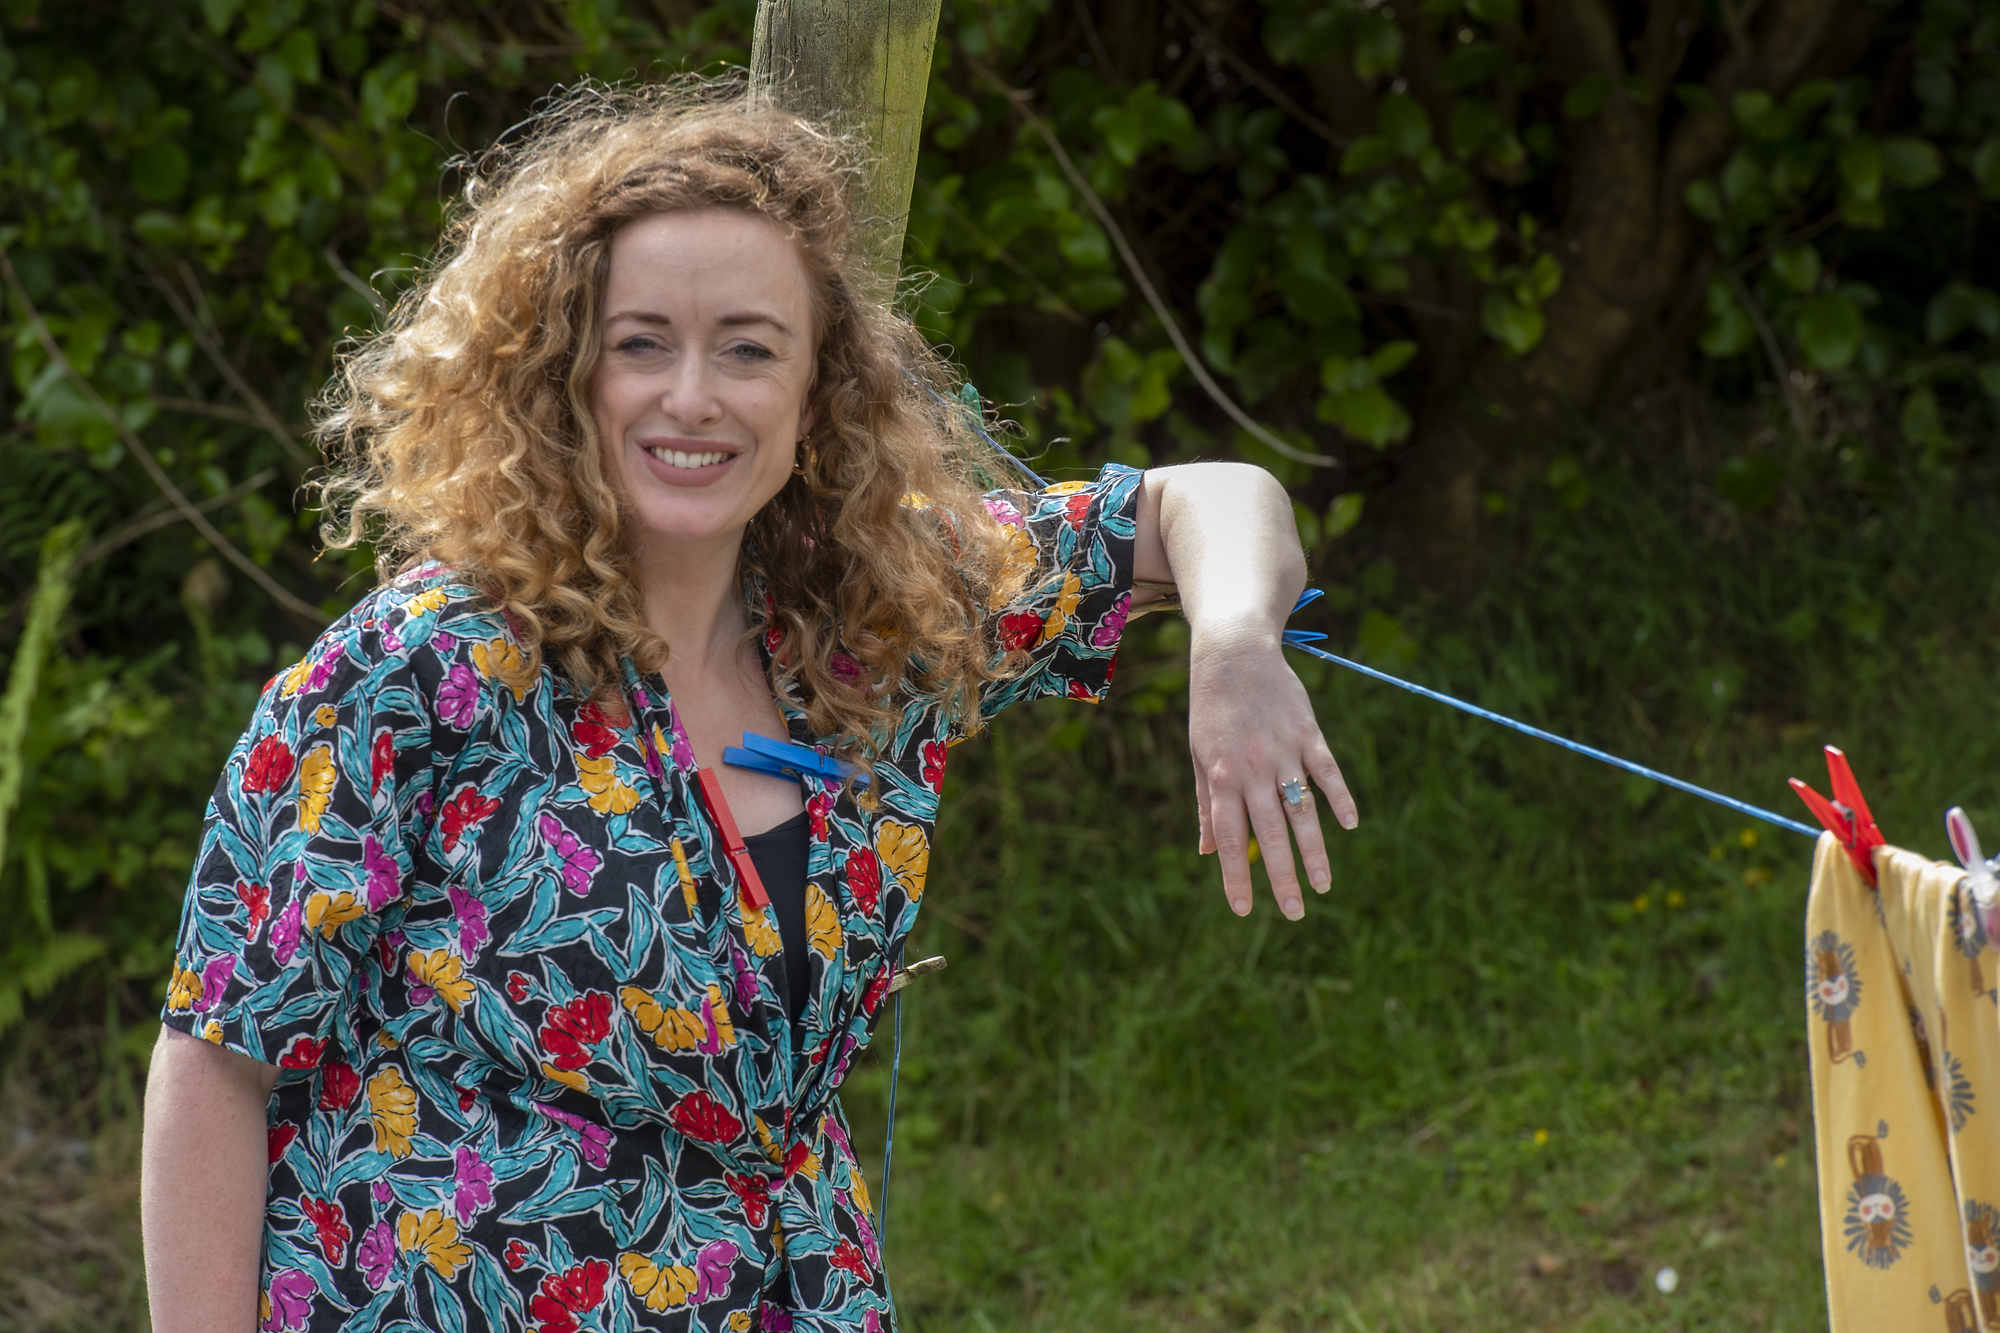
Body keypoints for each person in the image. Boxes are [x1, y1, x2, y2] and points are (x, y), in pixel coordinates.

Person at [140, 82, 1357, 1333]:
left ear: (818, 387)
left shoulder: (880, 612)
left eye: (748, 347)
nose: (692, 396)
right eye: (641, 343)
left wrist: (1232, 646)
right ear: (561, 372)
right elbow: (216, 1056)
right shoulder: (415, 668)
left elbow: (1211, 499)